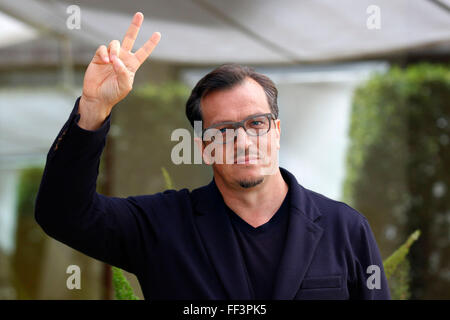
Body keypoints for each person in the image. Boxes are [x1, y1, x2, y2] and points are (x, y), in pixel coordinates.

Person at [35, 12, 390, 300]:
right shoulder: (162, 227)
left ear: (276, 132)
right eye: (223, 130)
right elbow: (63, 215)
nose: (243, 140)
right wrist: (94, 108)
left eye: (256, 123)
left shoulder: (345, 228)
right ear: (204, 147)